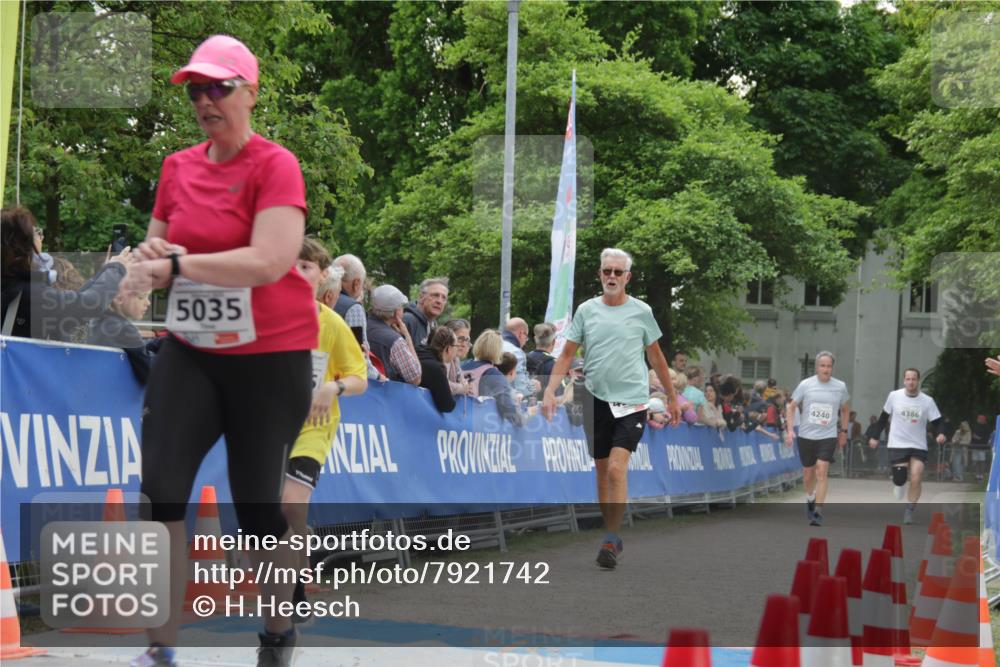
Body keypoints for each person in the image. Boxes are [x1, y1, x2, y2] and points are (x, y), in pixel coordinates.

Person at [125, 35, 316, 667]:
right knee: (160, 493)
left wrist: (178, 264)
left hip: (271, 357)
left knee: (257, 509)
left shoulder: (275, 165)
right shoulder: (177, 167)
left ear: (250, 92)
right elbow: (156, 252)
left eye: (219, 87)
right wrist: (138, 269)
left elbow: (269, 260)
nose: (205, 99)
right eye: (196, 89)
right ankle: (160, 651)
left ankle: (278, 632)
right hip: (193, 351)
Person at [542, 247, 680, 570]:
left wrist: (672, 396)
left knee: (618, 469)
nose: (612, 277)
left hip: (631, 401)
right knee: (602, 472)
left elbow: (656, 357)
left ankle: (611, 537)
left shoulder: (641, 311)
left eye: (618, 272)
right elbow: (565, 355)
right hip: (594, 398)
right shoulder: (587, 311)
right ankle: (611, 534)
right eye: (607, 272)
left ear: (628, 277)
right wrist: (550, 390)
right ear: (600, 274)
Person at [281, 240, 367, 620]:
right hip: (267, 424)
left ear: (322, 278)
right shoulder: (264, 316)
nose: (298, 273)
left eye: (307, 267)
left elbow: (359, 376)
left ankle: (296, 586)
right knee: (270, 513)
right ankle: (291, 569)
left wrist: (333, 386)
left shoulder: (330, 323)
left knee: (290, 505)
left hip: (313, 426)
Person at [1, 206, 133, 340]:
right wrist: (116, 269)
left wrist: (105, 271)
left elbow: (75, 302)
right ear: (22, 244)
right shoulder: (29, 292)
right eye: (36, 233)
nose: (42, 238)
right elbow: (89, 304)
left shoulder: (10, 284)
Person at [865, 368, 946, 524]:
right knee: (901, 478)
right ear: (904, 381)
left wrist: (941, 433)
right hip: (898, 443)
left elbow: (939, 422)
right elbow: (883, 418)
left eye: (914, 379)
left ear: (918, 380)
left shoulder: (927, 401)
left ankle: (909, 510)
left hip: (918, 445)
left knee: (916, 477)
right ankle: (899, 483)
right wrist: (875, 436)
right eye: (908, 379)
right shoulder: (894, 396)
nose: (911, 382)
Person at [786, 351, 851, 526]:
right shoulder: (806, 385)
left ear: (832, 368)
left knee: (822, 471)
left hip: (827, 436)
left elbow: (845, 410)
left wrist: (843, 431)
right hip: (806, 436)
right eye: (822, 366)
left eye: (829, 366)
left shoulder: (840, 386)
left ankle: (818, 511)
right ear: (817, 367)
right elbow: (791, 407)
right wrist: (790, 430)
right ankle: (810, 498)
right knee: (808, 475)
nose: (826, 369)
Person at [84, 286, 161, 385]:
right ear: (119, 299)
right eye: (142, 297)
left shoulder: (97, 322)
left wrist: (157, 343)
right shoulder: (125, 329)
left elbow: (136, 349)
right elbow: (150, 372)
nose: (148, 303)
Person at [462, 330, 528, 425]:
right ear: (498, 350)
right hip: (478, 424)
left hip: (458, 419)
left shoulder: (461, 366)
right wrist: (525, 418)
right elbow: (508, 408)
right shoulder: (493, 374)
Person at [367, 285, 421, 386]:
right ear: (397, 312)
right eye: (402, 307)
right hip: (385, 396)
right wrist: (407, 336)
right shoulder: (395, 341)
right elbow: (415, 378)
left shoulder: (362, 325)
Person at [416, 326, 459, 413]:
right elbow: (447, 405)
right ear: (448, 348)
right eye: (456, 346)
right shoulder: (436, 369)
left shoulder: (417, 353)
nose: (457, 350)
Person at [402, 277, 448, 345]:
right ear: (421, 297)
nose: (439, 301)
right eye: (435, 295)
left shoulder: (434, 326)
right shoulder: (407, 320)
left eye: (443, 298)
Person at [502, 317, 536, 398]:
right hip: (508, 403)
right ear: (521, 333)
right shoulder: (516, 352)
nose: (525, 341)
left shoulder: (490, 346)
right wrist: (533, 387)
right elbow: (521, 388)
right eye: (526, 337)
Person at [526, 321, 557, 396]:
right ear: (553, 342)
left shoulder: (523, 359)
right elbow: (559, 392)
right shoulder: (555, 364)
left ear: (535, 339)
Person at [443, 319, 472, 396]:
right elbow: (442, 384)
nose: (464, 344)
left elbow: (462, 384)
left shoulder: (456, 359)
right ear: (448, 338)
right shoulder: (443, 357)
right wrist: (462, 388)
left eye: (467, 340)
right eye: (460, 339)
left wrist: (466, 386)